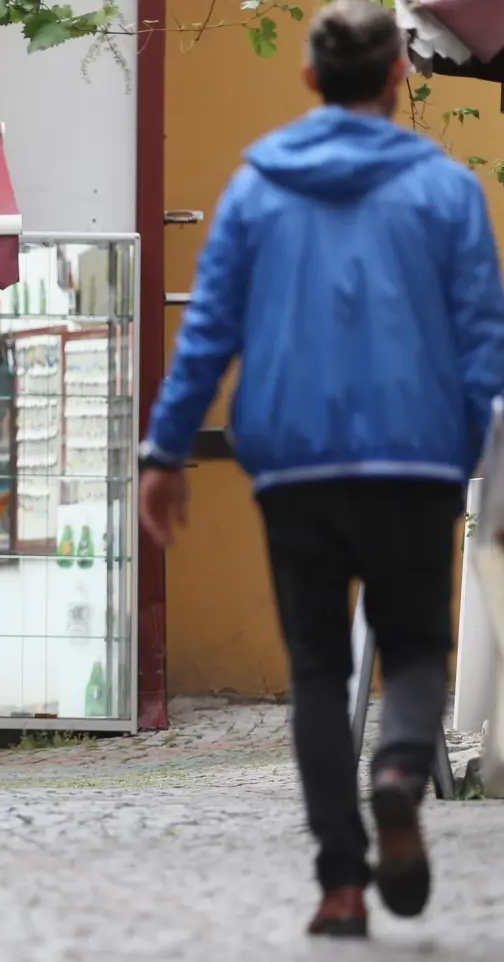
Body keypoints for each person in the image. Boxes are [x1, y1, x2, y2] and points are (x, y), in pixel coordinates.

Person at [137, 0, 504, 937]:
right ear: (399, 76)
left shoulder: (257, 187)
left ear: (310, 80)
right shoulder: (448, 192)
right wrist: (487, 447)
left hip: (293, 462)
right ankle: (399, 769)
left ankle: (340, 883)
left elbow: (210, 330)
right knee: (417, 646)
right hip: (418, 458)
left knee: (313, 670)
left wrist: (165, 450)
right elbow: (482, 344)